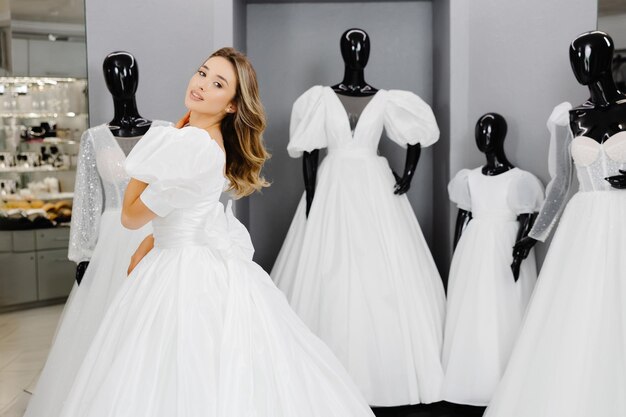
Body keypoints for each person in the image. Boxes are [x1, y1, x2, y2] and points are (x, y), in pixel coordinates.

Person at [58, 47, 376, 417]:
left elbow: (129, 216)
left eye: (218, 83)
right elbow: (189, 213)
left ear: (231, 106)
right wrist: (152, 239)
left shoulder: (189, 142)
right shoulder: (207, 142)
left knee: (170, 371)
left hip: (181, 270)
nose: (202, 84)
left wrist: (143, 161)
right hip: (190, 257)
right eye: (202, 72)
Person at [23, 52, 169, 417]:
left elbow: (176, 189)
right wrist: (83, 252)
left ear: (137, 78)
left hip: (156, 232)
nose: (121, 81)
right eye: (112, 75)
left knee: (156, 315)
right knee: (106, 320)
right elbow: (87, 197)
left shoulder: (167, 132)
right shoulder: (93, 139)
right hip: (111, 238)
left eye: (126, 73)